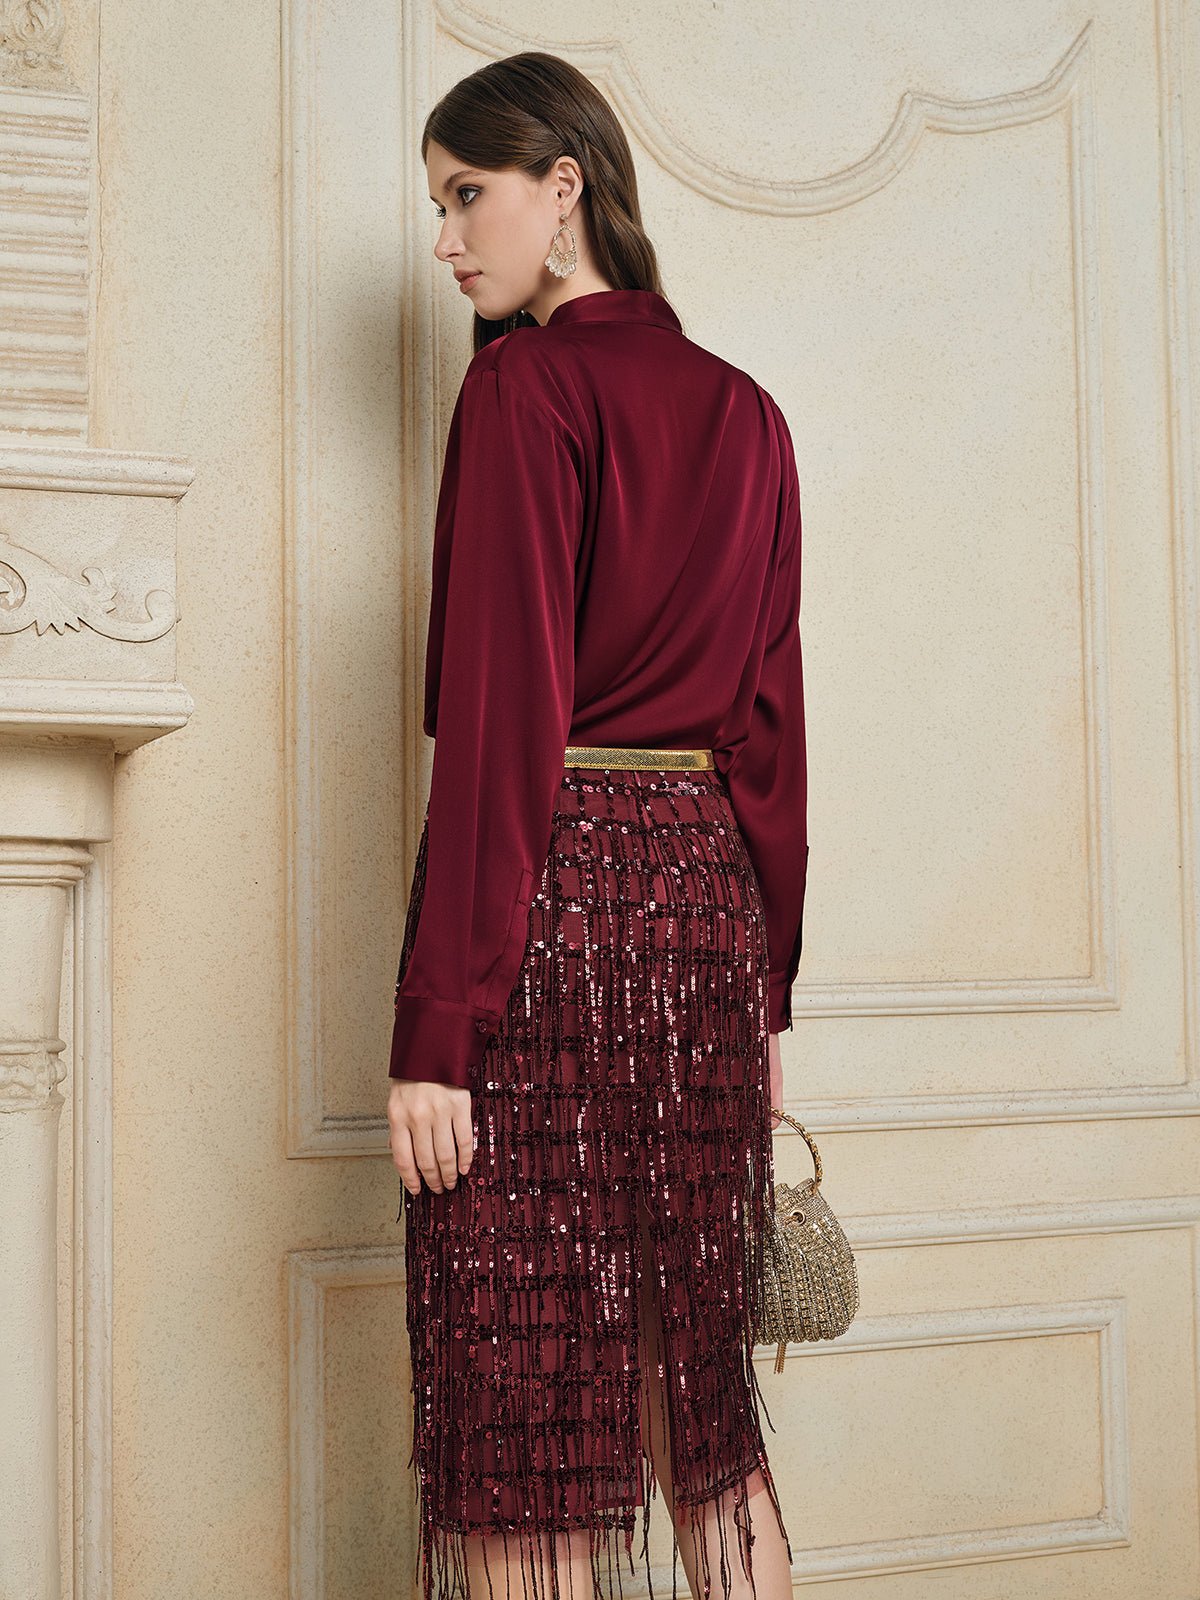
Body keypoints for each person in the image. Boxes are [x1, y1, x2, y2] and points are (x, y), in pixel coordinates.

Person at [386, 49, 809, 1600]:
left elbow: (501, 734)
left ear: (564, 191)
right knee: (695, 1391)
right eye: (438, 205)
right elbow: (770, 743)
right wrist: (764, 1002)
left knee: (530, 1398)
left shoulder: (526, 388)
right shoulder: (749, 414)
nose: (447, 240)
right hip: (704, 913)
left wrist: (439, 1028)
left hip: (552, 912)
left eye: (466, 196)